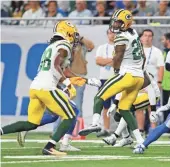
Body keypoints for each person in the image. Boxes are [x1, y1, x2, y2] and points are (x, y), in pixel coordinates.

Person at [0, 20, 80, 156]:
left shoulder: (51, 46)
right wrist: (67, 83)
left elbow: (52, 68)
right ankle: (50, 147)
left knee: (32, 123)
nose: (74, 38)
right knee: (71, 115)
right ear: (67, 33)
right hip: (46, 88)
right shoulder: (63, 45)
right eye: (72, 34)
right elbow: (55, 66)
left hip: (35, 87)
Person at [78, 9, 146, 146]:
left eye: (119, 22)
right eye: (115, 21)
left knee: (99, 96)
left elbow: (118, 57)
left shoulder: (122, 37)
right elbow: (143, 56)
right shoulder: (134, 34)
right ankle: (140, 140)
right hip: (139, 76)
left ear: (126, 23)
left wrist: (116, 70)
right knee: (125, 109)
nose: (115, 24)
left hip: (127, 74)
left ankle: (95, 124)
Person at [16, 77, 100, 151]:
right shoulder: (58, 60)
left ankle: (27, 127)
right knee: (73, 110)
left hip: (43, 87)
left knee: (53, 116)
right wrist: (86, 80)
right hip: (48, 88)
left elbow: (58, 74)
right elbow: (63, 73)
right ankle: (65, 143)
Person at [103, 72, 160, 147]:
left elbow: (151, 91)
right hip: (137, 95)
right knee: (118, 115)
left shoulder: (140, 73)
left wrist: (153, 110)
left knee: (127, 110)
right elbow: (122, 89)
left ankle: (115, 136)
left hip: (150, 95)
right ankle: (126, 138)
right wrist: (115, 104)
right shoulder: (126, 72)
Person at [139, 29, 164, 131]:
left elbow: (161, 67)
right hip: (139, 82)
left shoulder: (157, 51)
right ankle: (140, 130)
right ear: (141, 37)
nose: (147, 38)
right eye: (145, 35)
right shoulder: (136, 50)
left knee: (152, 107)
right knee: (139, 107)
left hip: (152, 83)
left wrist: (159, 82)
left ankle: (153, 130)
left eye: (149, 36)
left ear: (152, 38)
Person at [95, 29, 115, 137]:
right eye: (110, 33)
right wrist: (112, 60)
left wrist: (106, 61)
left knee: (120, 106)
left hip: (118, 78)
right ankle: (106, 129)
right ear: (107, 34)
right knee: (105, 106)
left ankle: (120, 130)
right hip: (104, 79)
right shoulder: (102, 47)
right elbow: (98, 61)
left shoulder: (121, 47)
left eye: (115, 33)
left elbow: (120, 62)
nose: (112, 35)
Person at [161, 33, 170, 122]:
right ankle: (167, 126)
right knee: (165, 106)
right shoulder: (165, 51)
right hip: (165, 84)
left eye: (163, 39)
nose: (162, 41)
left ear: (168, 40)